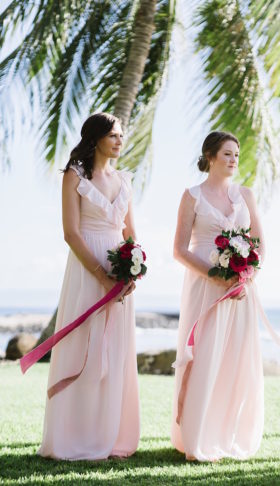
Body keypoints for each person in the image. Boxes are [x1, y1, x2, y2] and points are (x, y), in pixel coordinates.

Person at [38, 112, 139, 460]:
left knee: (114, 354)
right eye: (113, 135)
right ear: (95, 137)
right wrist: (100, 274)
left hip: (120, 269)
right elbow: (70, 233)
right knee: (86, 348)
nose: (119, 141)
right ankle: (74, 437)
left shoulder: (124, 180)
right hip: (86, 268)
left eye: (122, 136)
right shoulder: (74, 175)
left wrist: (132, 271)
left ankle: (110, 436)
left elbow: (130, 233)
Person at [171, 131, 265, 462]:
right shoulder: (192, 196)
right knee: (205, 356)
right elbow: (179, 250)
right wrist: (217, 276)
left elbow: (259, 245)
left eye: (236, 154)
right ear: (210, 156)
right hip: (204, 285)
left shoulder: (246, 195)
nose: (233, 160)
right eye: (227, 154)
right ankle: (196, 439)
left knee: (234, 360)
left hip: (241, 290)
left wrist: (244, 278)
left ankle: (226, 434)